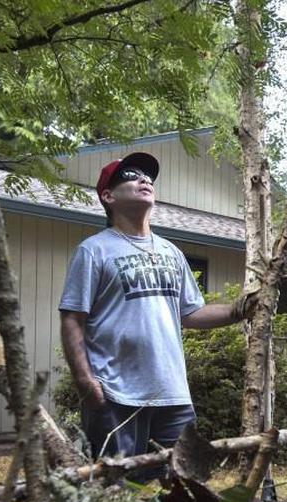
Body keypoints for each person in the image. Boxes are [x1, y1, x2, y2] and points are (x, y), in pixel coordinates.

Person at [59, 151, 252, 468]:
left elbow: (190, 314)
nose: (143, 179)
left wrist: (238, 310)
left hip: (172, 394)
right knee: (116, 488)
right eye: (130, 176)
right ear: (108, 196)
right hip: (114, 393)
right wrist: (84, 380)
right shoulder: (93, 251)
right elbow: (72, 320)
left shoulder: (172, 252)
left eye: (147, 176)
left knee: (181, 485)